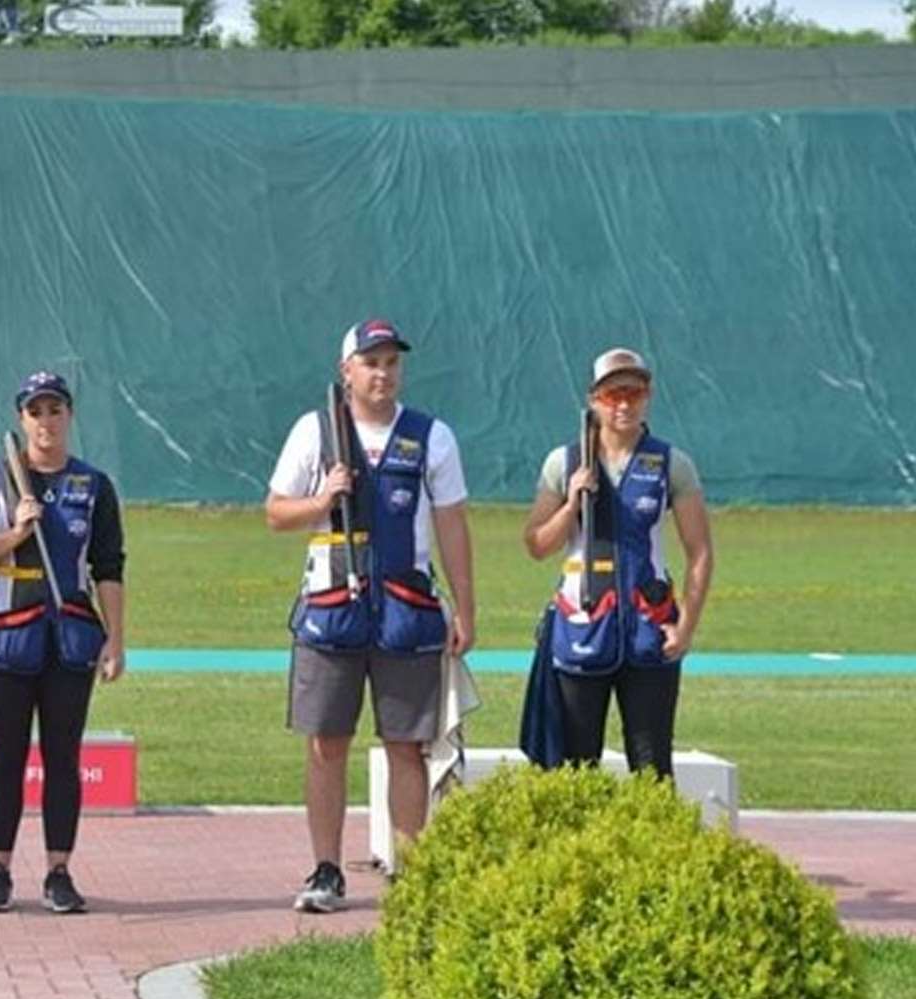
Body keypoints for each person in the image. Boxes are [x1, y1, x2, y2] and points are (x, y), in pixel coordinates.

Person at [264, 319, 475, 914]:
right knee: (326, 744)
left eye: (391, 362)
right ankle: (326, 870)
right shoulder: (316, 431)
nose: (381, 373)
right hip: (331, 611)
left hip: (406, 612)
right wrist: (322, 499)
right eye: (370, 361)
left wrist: (466, 606)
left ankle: (410, 876)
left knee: (407, 746)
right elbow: (277, 513)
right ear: (346, 371)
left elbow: (454, 526)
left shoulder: (432, 437)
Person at [0, 372, 125, 914]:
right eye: (35, 412)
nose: (46, 422)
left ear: (69, 415)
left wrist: (116, 639)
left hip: (69, 637)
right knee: (5, 757)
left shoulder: (92, 486)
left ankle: (58, 871)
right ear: (21, 419)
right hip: (7, 637)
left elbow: (108, 566)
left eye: (55, 410)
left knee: (62, 756)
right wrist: (16, 534)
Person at [520, 348, 713, 777]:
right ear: (594, 399)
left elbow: (699, 550)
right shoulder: (563, 462)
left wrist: (686, 628)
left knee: (651, 765)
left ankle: (655, 845)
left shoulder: (671, 464)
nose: (623, 404)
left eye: (634, 392)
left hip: (649, 631)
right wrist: (571, 504)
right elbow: (536, 544)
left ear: (648, 396)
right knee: (574, 765)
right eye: (612, 395)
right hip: (582, 625)